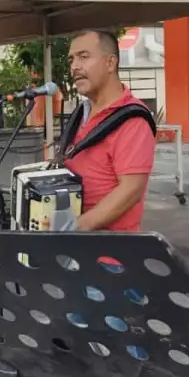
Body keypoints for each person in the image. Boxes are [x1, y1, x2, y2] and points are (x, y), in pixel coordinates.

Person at [62, 29, 156, 232]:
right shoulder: (81, 112)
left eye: (84, 57)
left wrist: (75, 228)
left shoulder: (132, 119)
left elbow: (131, 190)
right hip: (74, 250)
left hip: (109, 255)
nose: (75, 67)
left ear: (110, 63)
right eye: (72, 60)